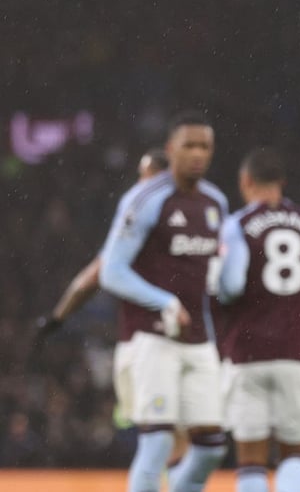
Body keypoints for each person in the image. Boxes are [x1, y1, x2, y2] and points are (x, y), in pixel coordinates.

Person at [32, 148, 193, 476]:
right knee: (175, 440)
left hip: (144, 342)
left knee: (163, 439)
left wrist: (57, 318)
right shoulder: (190, 221)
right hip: (171, 343)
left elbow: (89, 279)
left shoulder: (137, 225)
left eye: (144, 175)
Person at [98, 111, 229, 492]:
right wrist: (163, 301)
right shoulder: (146, 198)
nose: (197, 154)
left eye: (204, 146)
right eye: (189, 145)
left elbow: (212, 274)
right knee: (157, 442)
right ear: (171, 149)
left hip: (199, 341)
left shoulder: (216, 203)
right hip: (152, 338)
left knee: (210, 447)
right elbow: (112, 271)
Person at [215, 147, 300, 492]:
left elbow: (232, 286)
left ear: (246, 181)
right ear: (282, 183)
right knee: (297, 452)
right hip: (295, 353)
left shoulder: (236, 226)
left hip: (245, 353)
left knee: (251, 457)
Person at [34, 148, 169, 342]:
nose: (142, 183)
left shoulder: (139, 212)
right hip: (198, 337)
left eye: (146, 176)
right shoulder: (204, 210)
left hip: (149, 337)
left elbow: (94, 275)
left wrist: (57, 318)